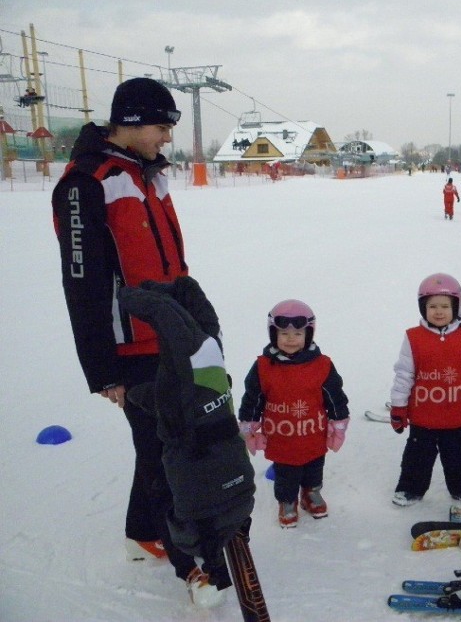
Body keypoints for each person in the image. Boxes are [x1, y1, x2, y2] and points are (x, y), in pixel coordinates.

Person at [51, 78, 215, 597]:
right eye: (162, 127)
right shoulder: (87, 182)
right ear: (133, 121)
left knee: (161, 442)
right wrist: (103, 370)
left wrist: (195, 326)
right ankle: (181, 553)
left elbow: (171, 263)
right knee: (163, 446)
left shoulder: (148, 176)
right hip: (128, 344)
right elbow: (83, 284)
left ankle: (143, 533)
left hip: (169, 334)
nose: (167, 137)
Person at [118, 277, 256, 608]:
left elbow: (152, 395)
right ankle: (207, 555)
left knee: (162, 492)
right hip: (237, 480)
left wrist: (126, 295)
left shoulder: (175, 384)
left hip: (196, 499)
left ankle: (191, 570)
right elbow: (198, 315)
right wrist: (178, 287)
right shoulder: (213, 357)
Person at [389, 273, 461, 506]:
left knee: (459, 456)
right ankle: (411, 488)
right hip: (424, 416)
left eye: (444, 306)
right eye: (432, 306)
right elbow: (404, 375)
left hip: (457, 415)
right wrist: (399, 407)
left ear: (456, 307)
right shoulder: (414, 338)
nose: (438, 312)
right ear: (423, 308)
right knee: (417, 456)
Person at [238, 299, 350, 528]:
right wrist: (249, 423)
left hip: (313, 434)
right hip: (282, 437)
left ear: (308, 334)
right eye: (284, 333)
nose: (291, 339)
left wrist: (338, 420)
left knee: (314, 468)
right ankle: (287, 502)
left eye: (298, 333)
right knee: (286, 473)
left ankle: (311, 494)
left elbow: (334, 395)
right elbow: (253, 397)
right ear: (273, 334)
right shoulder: (263, 367)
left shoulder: (322, 365)